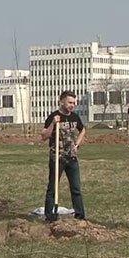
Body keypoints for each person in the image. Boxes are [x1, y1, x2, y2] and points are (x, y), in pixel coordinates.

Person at [41, 91, 86, 222]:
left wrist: (77, 144)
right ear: (62, 102)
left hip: (71, 158)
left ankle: (80, 215)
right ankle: (49, 216)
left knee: (76, 188)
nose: (72, 105)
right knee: (52, 187)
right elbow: (44, 136)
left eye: (74, 103)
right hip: (57, 158)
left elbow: (83, 130)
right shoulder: (54, 116)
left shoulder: (74, 117)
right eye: (70, 102)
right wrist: (52, 124)